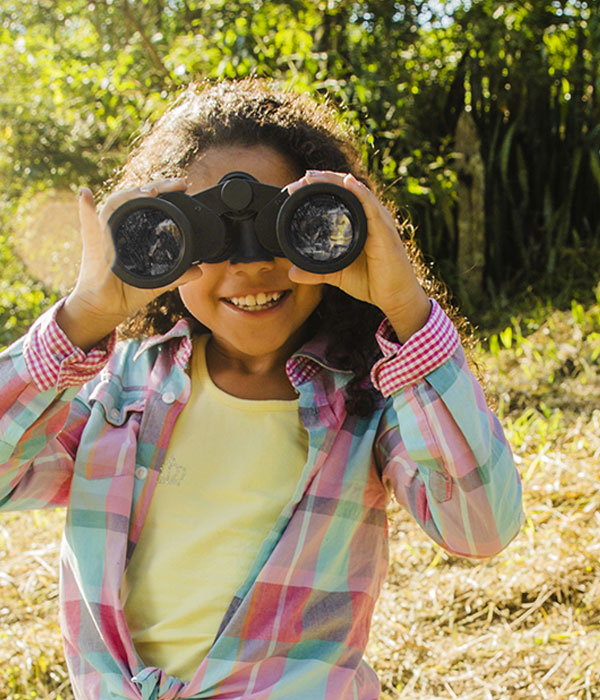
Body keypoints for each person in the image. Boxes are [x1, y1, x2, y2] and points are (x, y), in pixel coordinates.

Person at [0, 78, 523, 700]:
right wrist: (83, 317)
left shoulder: (368, 407)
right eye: (209, 238)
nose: (249, 264)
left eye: (281, 230)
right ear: (162, 247)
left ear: (333, 233)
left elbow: (480, 526)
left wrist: (405, 306)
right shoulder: (119, 395)